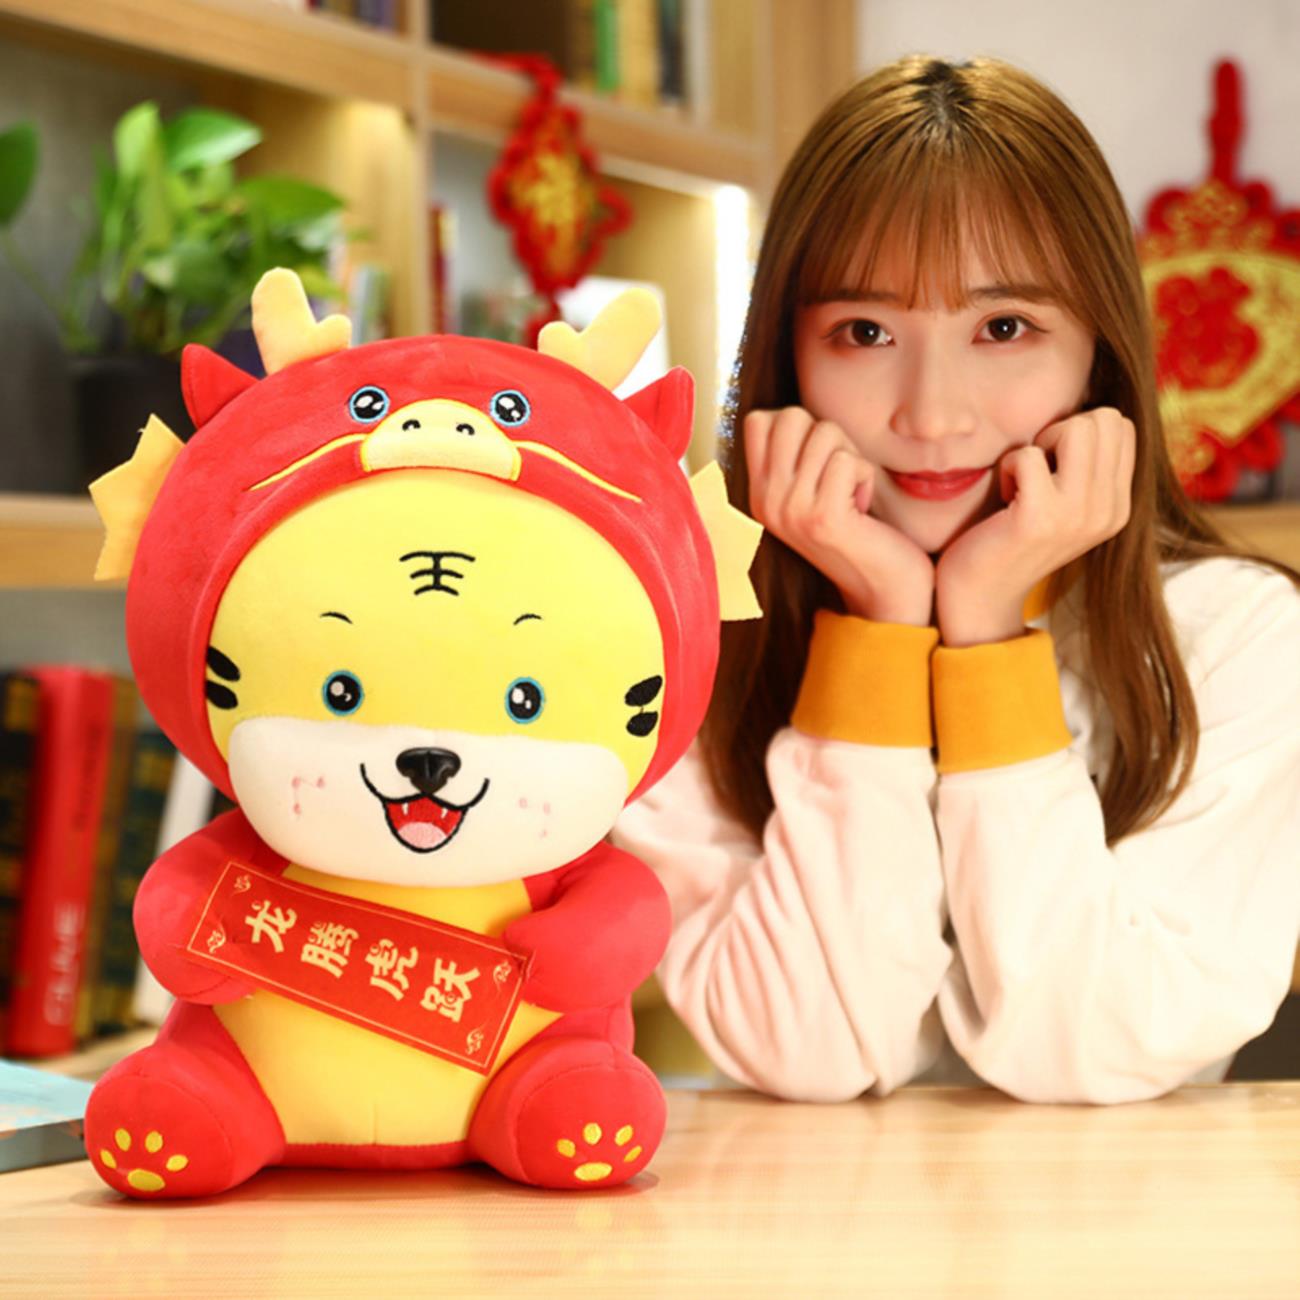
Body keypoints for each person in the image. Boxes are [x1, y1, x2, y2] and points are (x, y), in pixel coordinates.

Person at [612, 55, 1300, 1105]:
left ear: (1099, 357)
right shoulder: (687, 638)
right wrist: (879, 630)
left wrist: (984, 634)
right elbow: (809, 1052)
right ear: (789, 361)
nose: (931, 415)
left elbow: (1095, 1049)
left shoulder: (1233, 631)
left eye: (1003, 328)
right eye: (865, 332)